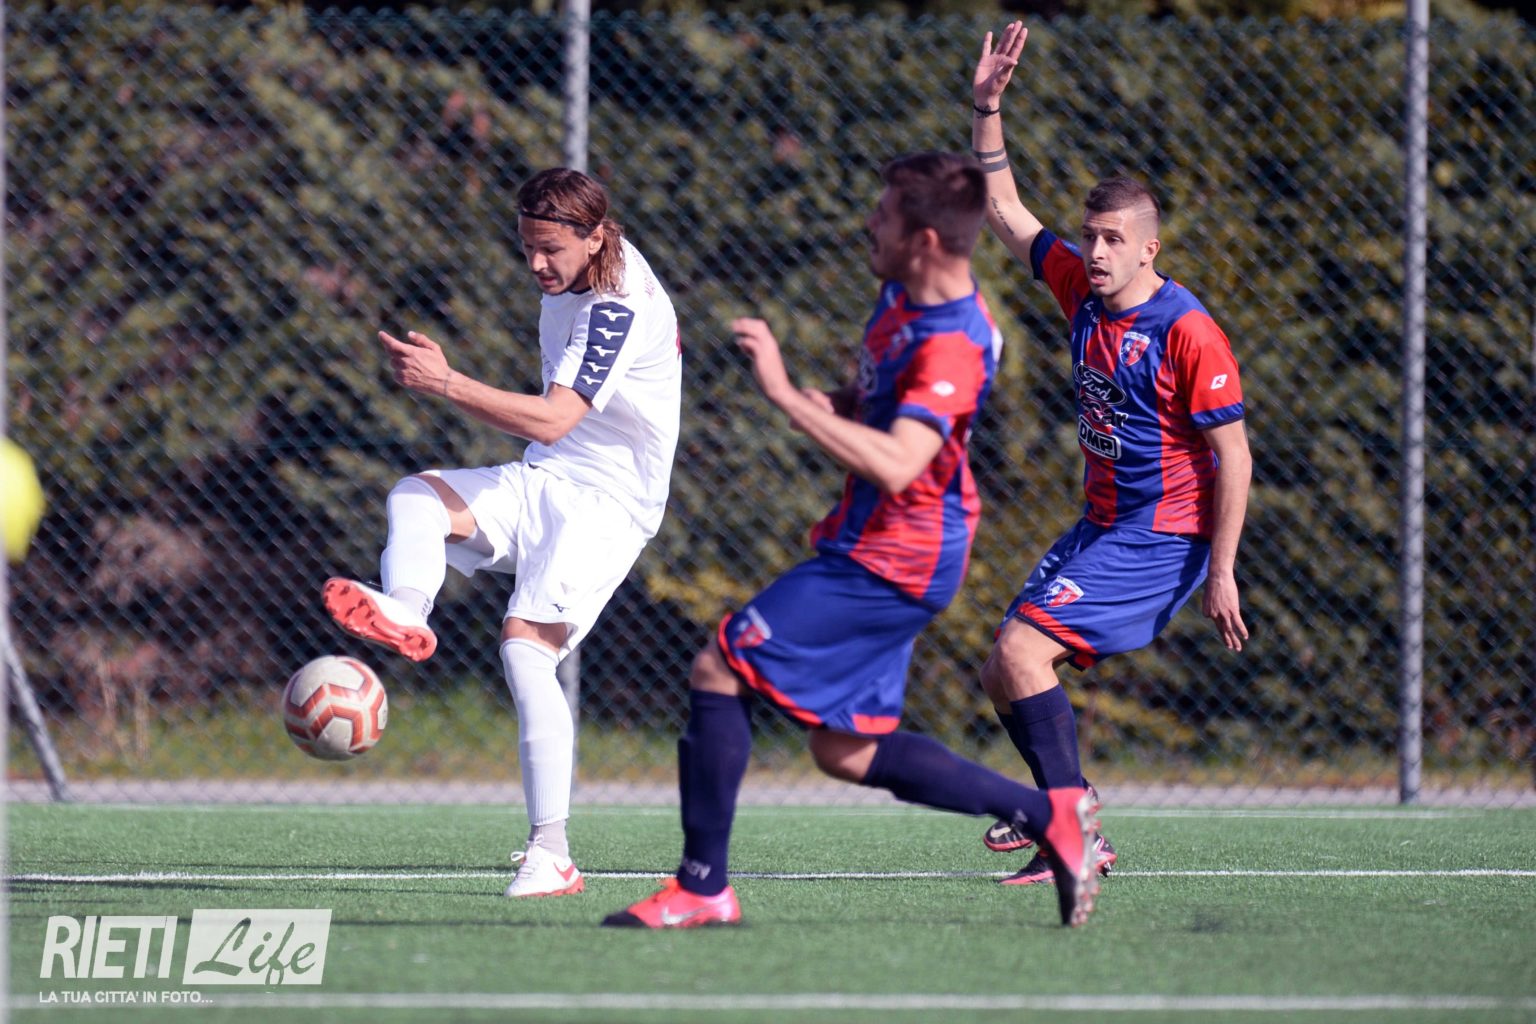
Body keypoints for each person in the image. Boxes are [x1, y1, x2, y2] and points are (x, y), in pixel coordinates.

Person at [601, 152, 1101, 932]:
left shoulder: (956, 340)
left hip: (898, 555)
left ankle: (703, 887)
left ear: (925, 240)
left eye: (885, 216)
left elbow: (901, 462)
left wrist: (782, 395)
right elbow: (878, 401)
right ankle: (1050, 815)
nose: (871, 224)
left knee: (720, 667)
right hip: (878, 544)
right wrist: (829, 401)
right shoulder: (901, 292)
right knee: (847, 752)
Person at [322, 168, 683, 899]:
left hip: (607, 504)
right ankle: (408, 611)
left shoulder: (615, 307)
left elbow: (554, 418)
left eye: (551, 249)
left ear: (596, 237)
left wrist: (446, 383)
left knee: (524, 650)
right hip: (548, 476)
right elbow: (552, 438)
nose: (537, 264)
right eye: (526, 248)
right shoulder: (573, 272)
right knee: (418, 497)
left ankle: (552, 854)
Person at [968, 23, 1252, 883]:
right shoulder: (1081, 292)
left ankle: (1072, 832)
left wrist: (1223, 570)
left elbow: (1235, 457)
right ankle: (1072, 809)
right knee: (1001, 667)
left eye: (1113, 240)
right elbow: (1004, 210)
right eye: (1090, 235)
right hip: (1104, 524)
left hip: (1163, 534)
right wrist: (987, 108)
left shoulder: (1186, 330)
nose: (1095, 252)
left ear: (1148, 248)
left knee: (1024, 653)